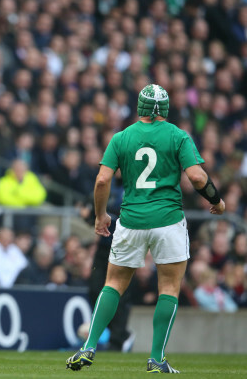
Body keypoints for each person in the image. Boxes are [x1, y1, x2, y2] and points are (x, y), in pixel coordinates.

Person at [66, 84, 226, 373]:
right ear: (165, 108)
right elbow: (198, 177)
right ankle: (156, 359)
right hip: (168, 221)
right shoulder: (178, 135)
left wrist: (101, 216)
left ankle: (88, 346)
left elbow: (102, 181)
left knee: (113, 284)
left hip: (130, 221)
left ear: (139, 107)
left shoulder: (121, 137)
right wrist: (218, 201)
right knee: (169, 288)